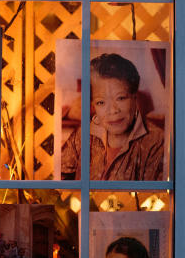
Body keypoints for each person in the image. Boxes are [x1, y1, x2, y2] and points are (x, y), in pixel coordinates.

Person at [60, 52, 164, 181]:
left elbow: (155, 198)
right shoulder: (82, 136)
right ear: (93, 106)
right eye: (101, 102)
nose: (113, 110)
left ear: (134, 98)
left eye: (120, 98)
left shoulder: (156, 142)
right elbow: (60, 181)